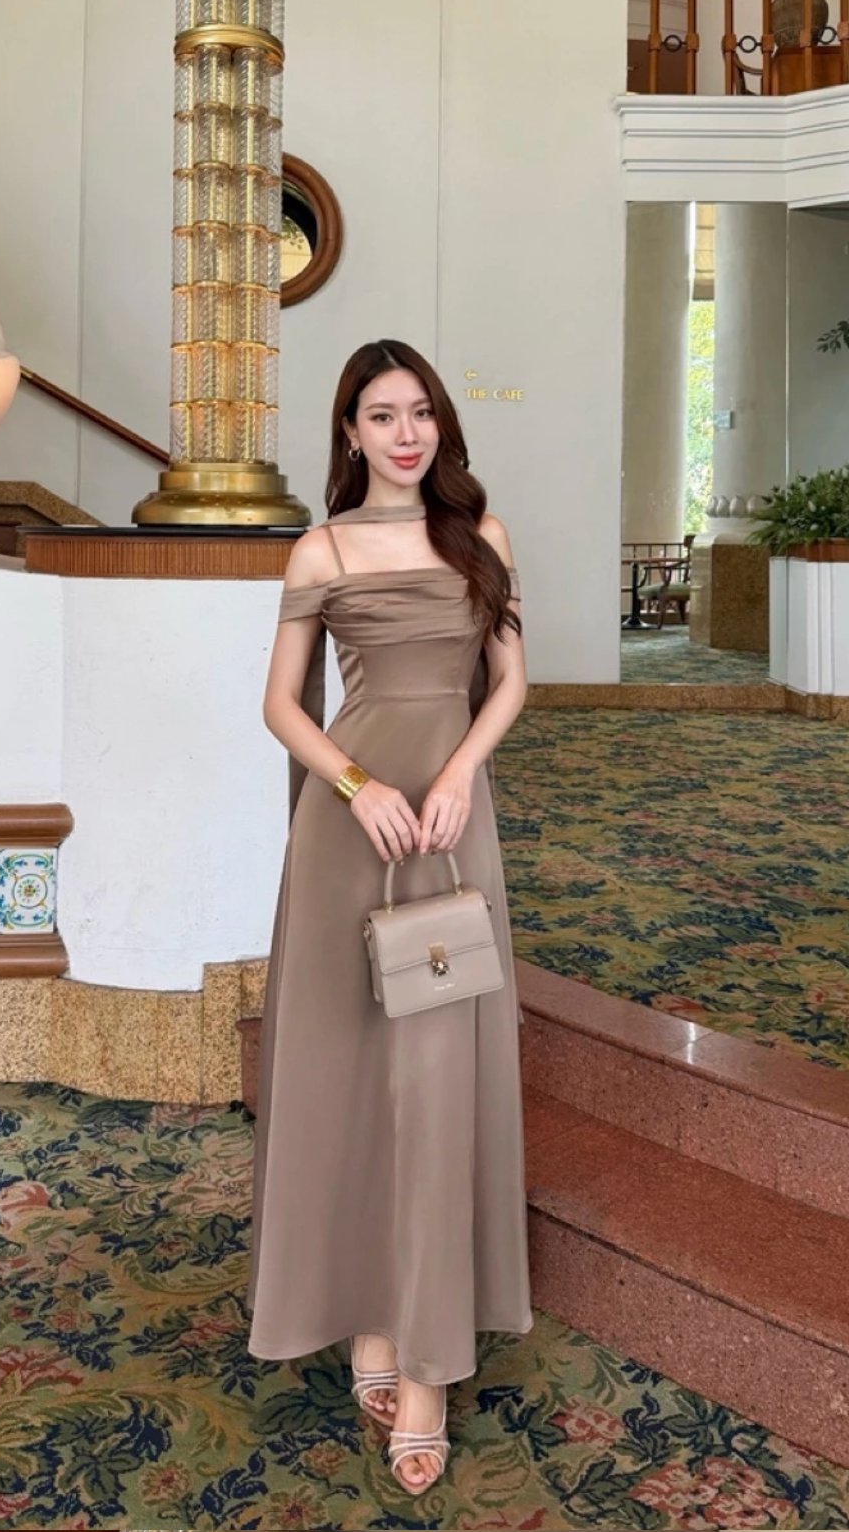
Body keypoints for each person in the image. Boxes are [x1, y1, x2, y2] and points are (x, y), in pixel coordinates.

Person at [246, 339, 532, 1498]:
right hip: (352, 828)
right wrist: (358, 786)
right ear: (350, 430)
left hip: (450, 826)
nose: (405, 433)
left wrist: (460, 772)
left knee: (436, 1074)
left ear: (440, 424)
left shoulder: (480, 536)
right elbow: (281, 704)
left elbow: (511, 681)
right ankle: (369, 1310)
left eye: (420, 412)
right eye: (381, 414)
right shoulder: (320, 547)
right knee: (354, 1070)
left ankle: (425, 1367)